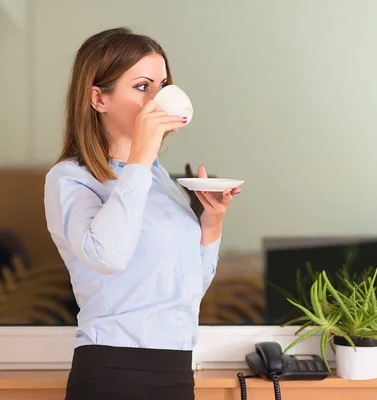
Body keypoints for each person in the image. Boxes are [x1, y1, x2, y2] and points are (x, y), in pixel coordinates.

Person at [44, 27, 240, 400]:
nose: (158, 100)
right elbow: (108, 255)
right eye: (142, 86)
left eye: (162, 86)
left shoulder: (159, 179)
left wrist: (211, 224)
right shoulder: (71, 179)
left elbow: (185, 291)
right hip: (114, 370)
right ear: (98, 98)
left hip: (176, 368)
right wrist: (140, 158)